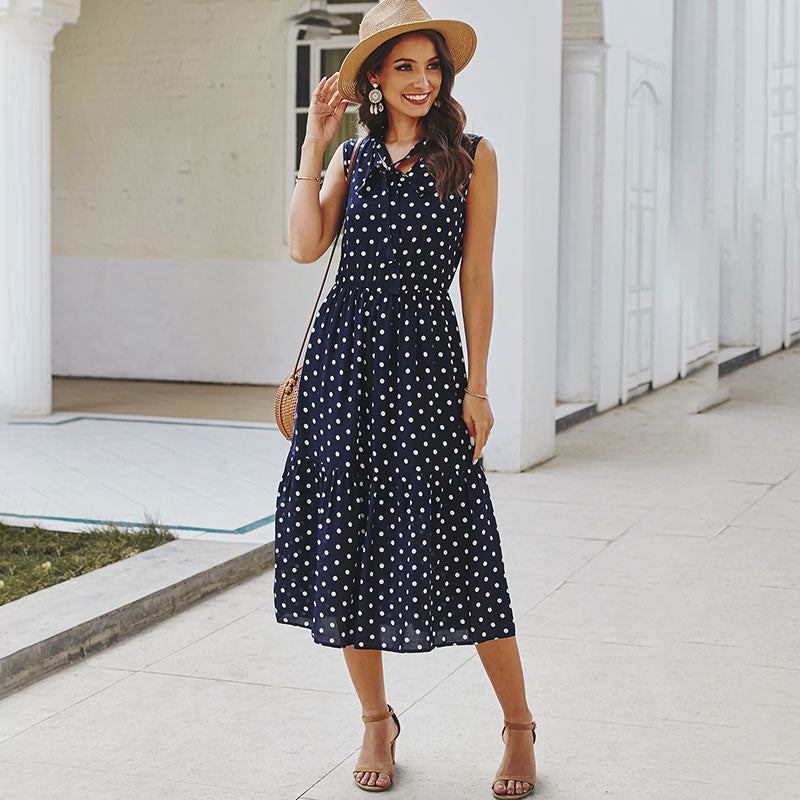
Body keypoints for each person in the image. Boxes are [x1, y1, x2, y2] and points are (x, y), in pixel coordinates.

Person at [274, 1, 536, 796]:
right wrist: (315, 144)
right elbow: (304, 246)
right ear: (375, 82)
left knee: (465, 546)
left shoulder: (473, 157)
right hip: (344, 369)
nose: (422, 81)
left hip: (426, 370)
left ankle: (518, 726)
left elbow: (477, 277)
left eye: (431, 67)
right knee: (350, 548)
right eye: (405, 68)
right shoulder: (353, 156)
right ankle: (375, 721)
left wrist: (478, 386)